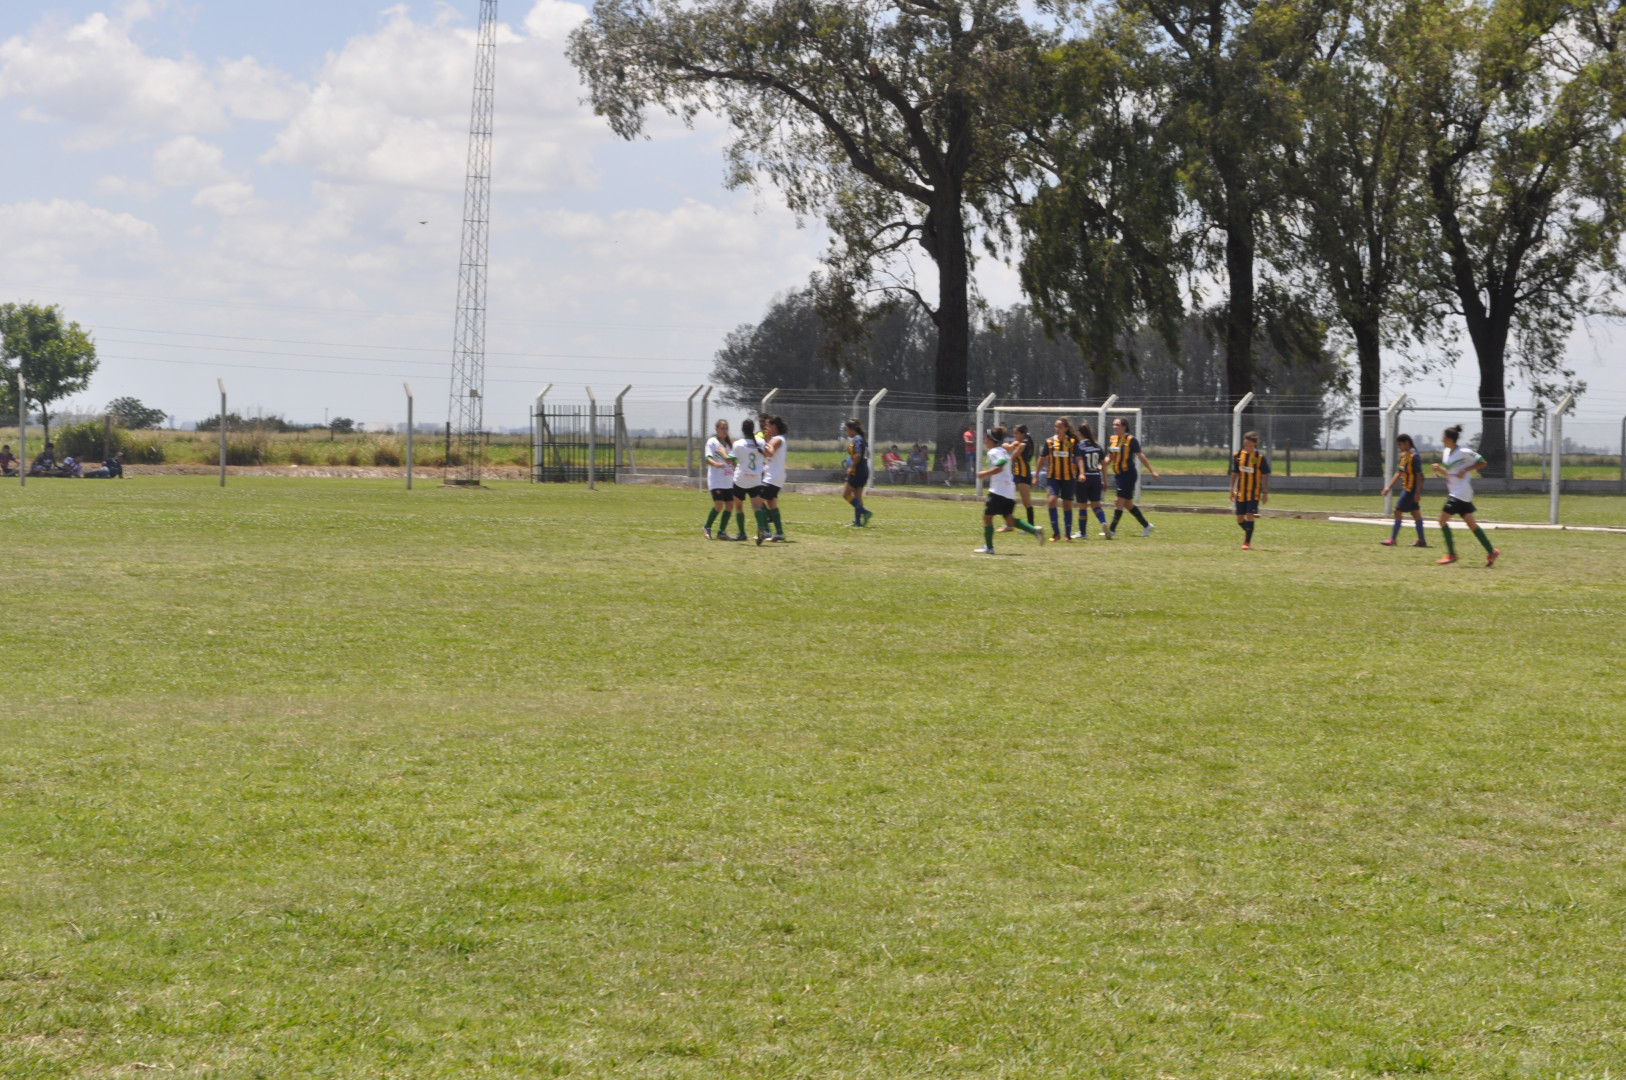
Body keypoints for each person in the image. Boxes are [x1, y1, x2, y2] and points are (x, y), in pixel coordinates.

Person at [1431, 424, 1499, 567]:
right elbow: (1450, 473)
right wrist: (1439, 470)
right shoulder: (1446, 452)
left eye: (1444, 437)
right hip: (1458, 493)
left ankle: (1452, 554)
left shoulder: (1464, 451)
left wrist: (1466, 469)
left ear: (1450, 439)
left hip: (1460, 492)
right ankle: (1492, 551)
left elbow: (1482, 462)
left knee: (1442, 520)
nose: (1442, 440)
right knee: (1472, 524)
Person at [973, 426, 1045, 553]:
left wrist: (984, 474)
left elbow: (1000, 465)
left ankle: (989, 548)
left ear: (991, 439)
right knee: (1009, 520)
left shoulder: (993, 452)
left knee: (987, 518)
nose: (984, 441)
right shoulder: (1003, 450)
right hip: (1009, 492)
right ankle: (1034, 530)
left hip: (998, 491)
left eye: (985, 438)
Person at [1105, 417, 1160, 538]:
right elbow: (1110, 456)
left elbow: (1141, 456)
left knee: (1118, 501)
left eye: (1117, 425)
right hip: (1119, 475)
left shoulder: (1131, 440)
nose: (1115, 427)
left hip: (1128, 474)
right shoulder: (1113, 439)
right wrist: (1102, 465)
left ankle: (1112, 530)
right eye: (1114, 424)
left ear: (1124, 427)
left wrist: (1152, 471)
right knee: (1128, 504)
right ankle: (1147, 525)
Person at [1379, 433, 1427, 547]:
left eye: (1400, 444)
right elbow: (1399, 473)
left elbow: (1419, 475)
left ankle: (1392, 539)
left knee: (1397, 510)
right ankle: (1422, 541)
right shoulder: (1404, 456)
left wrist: (1417, 492)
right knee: (1415, 513)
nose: (1399, 447)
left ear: (1407, 443)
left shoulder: (1414, 456)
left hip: (1411, 490)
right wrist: (1388, 487)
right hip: (1407, 488)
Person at [1036, 417, 1080, 541]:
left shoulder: (1071, 442)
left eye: (1060, 427)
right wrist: (1036, 475)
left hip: (1068, 478)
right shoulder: (1049, 442)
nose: (1057, 429)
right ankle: (1056, 533)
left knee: (1067, 505)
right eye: (1056, 426)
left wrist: (1081, 473)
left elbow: (1079, 458)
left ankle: (1067, 535)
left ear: (1065, 428)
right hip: (1053, 477)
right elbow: (1041, 458)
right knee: (1051, 501)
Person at [1229, 431, 1271, 549]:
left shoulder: (1259, 457)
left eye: (1250, 445)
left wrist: (1265, 492)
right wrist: (1231, 489)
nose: (1248, 447)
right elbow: (1235, 473)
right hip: (1240, 492)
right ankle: (1248, 530)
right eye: (1246, 444)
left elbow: (1265, 475)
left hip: (1254, 492)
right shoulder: (1238, 455)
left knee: (1249, 514)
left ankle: (1247, 543)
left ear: (1255, 444)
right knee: (1239, 518)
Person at [732, 418, 769, 543]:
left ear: (742, 430)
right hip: (755, 479)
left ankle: (742, 534)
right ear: (753, 429)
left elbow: (732, 460)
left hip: (741, 479)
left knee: (739, 506)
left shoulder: (738, 444)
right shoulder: (761, 442)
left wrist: (722, 452)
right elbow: (767, 454)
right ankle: (761, 527)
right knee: (757, 506)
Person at [703, 419, 735, 540]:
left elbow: (732, 461)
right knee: (719, 505)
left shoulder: (729, 445)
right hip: (716, 479)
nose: (725, 430)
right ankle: (707, 527)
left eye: (726, 428)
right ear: (716, 429)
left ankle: (721, 531)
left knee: (730, 505)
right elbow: (708, 458)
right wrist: (715, 464)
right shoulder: (712, 442)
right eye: (722, 428)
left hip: (728, 480)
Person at [1075, 423, 1108, 537]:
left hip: (1084, 478)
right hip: (1096, 478)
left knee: (1082, 506)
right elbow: (1104, 465)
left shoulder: (1079, 446)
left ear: (1079, 433)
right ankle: (1103, 522)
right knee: (1096, 505)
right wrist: (1105, 481)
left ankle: (1083, 533)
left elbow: (1077, 462)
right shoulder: (1097, 446)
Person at [760, 415, 790, 541]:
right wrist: (766, 440)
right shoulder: (776, 439)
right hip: (775, 477)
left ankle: (766, 530)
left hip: (772, 478)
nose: (766, 427)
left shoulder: (777, 439)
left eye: (768, 425)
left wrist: (764, 444)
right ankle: (779, 532)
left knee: (757, 500)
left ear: (775, 426)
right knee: (771, 502)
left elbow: (769, 453)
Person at [1005, 424, 1037, 529]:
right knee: (1009, 498)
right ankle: (1009, 524)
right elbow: (1009, 448)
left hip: (1023, 476)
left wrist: (1006, 447)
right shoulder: (1018, 443)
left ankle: (1031, 527)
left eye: (1016, 433)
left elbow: (1012, 456)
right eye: (1014, 433)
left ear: (1023, 434)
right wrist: (1006, 445)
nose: (1014, 435)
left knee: (1026, 502)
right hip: (1016, 475)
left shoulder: (1023, 445)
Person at [842, 419, 872, 527]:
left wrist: (851, 467)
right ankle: (857, 521)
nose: (847, 432)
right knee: (857, 496)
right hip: (864, 470)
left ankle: (865, 512)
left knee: (846, 494)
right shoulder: (862, 439)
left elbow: (858, 455)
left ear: (852, 429)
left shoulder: (857, 439)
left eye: (847, 430)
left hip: (857, 471)